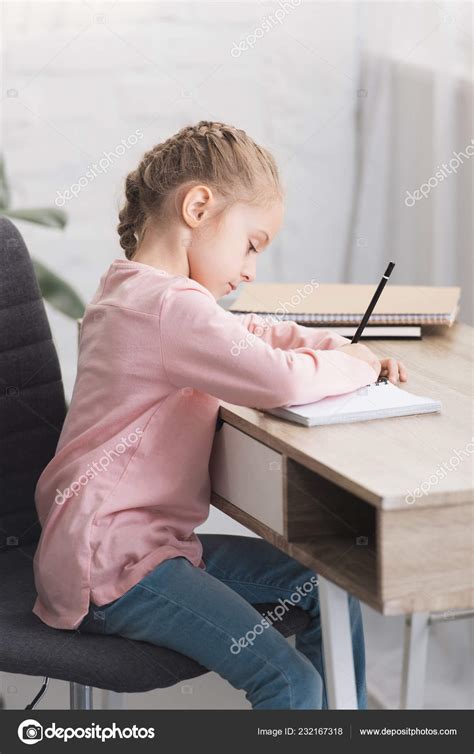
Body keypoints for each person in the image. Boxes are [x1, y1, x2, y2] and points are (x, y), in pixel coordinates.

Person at [32, 120, 407, 710]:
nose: (251, 268)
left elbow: (253, 331)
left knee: (317, 584)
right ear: (199, 207)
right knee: (290, 682)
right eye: (252, 243)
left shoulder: (132, 288)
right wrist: (360, 366)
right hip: (114, 569)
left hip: (123, 546)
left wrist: (342, 348)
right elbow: (276, 379)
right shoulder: (168, 307)